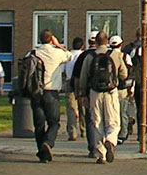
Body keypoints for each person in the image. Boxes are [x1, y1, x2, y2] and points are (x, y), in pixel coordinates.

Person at [83, 33, 128, 163]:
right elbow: (124, 74)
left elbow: (83, 77)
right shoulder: (115, 55)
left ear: (95, 42)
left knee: (97, 121)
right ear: (107, 41)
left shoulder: (90, 56)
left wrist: (82, 94)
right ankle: (111, 140)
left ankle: (101, 154)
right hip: (111, 92)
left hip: (95, 92)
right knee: (113, 121)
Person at [30, 29, 71, 163]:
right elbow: (69, 55)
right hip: (51, 92)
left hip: (36, 92)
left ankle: (41, 151)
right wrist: (58, 45)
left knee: (39, 123)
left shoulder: (33, 53)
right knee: (54, 122)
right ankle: (47, 143)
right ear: (51, 39)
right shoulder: (57, 53)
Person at [72, 32, 101, 158]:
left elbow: (77, 75)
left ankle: (93, 147)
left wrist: (79, 92)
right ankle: (104, 145)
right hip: (107, 92)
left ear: (88, 42)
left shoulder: (84, 55)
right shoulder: (107, 54)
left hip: (90, 91)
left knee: (90, 119)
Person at [63, 37, 85, 140]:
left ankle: (72, 132)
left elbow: (62, 71)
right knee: (83, 107)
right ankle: (84, 129)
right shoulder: (83, 55)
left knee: (71, 108)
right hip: (81, 83)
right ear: (82, 46)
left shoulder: (68, 56)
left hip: (69, 82)